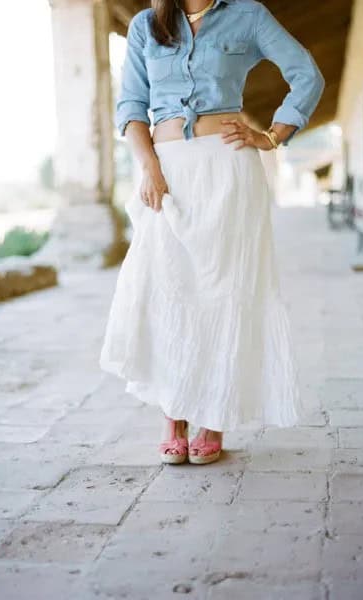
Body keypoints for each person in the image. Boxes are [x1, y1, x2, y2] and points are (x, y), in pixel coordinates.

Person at [99, 0, 325, 465]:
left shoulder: (249, 16)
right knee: (165, 290)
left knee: (225, 292)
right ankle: (174, 415)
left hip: (227, 172)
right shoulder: (147, 25)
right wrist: (149, 168)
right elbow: (132, 105)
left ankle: (214, 416)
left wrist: (273, 135)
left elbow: (307, 74)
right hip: (167, 174)